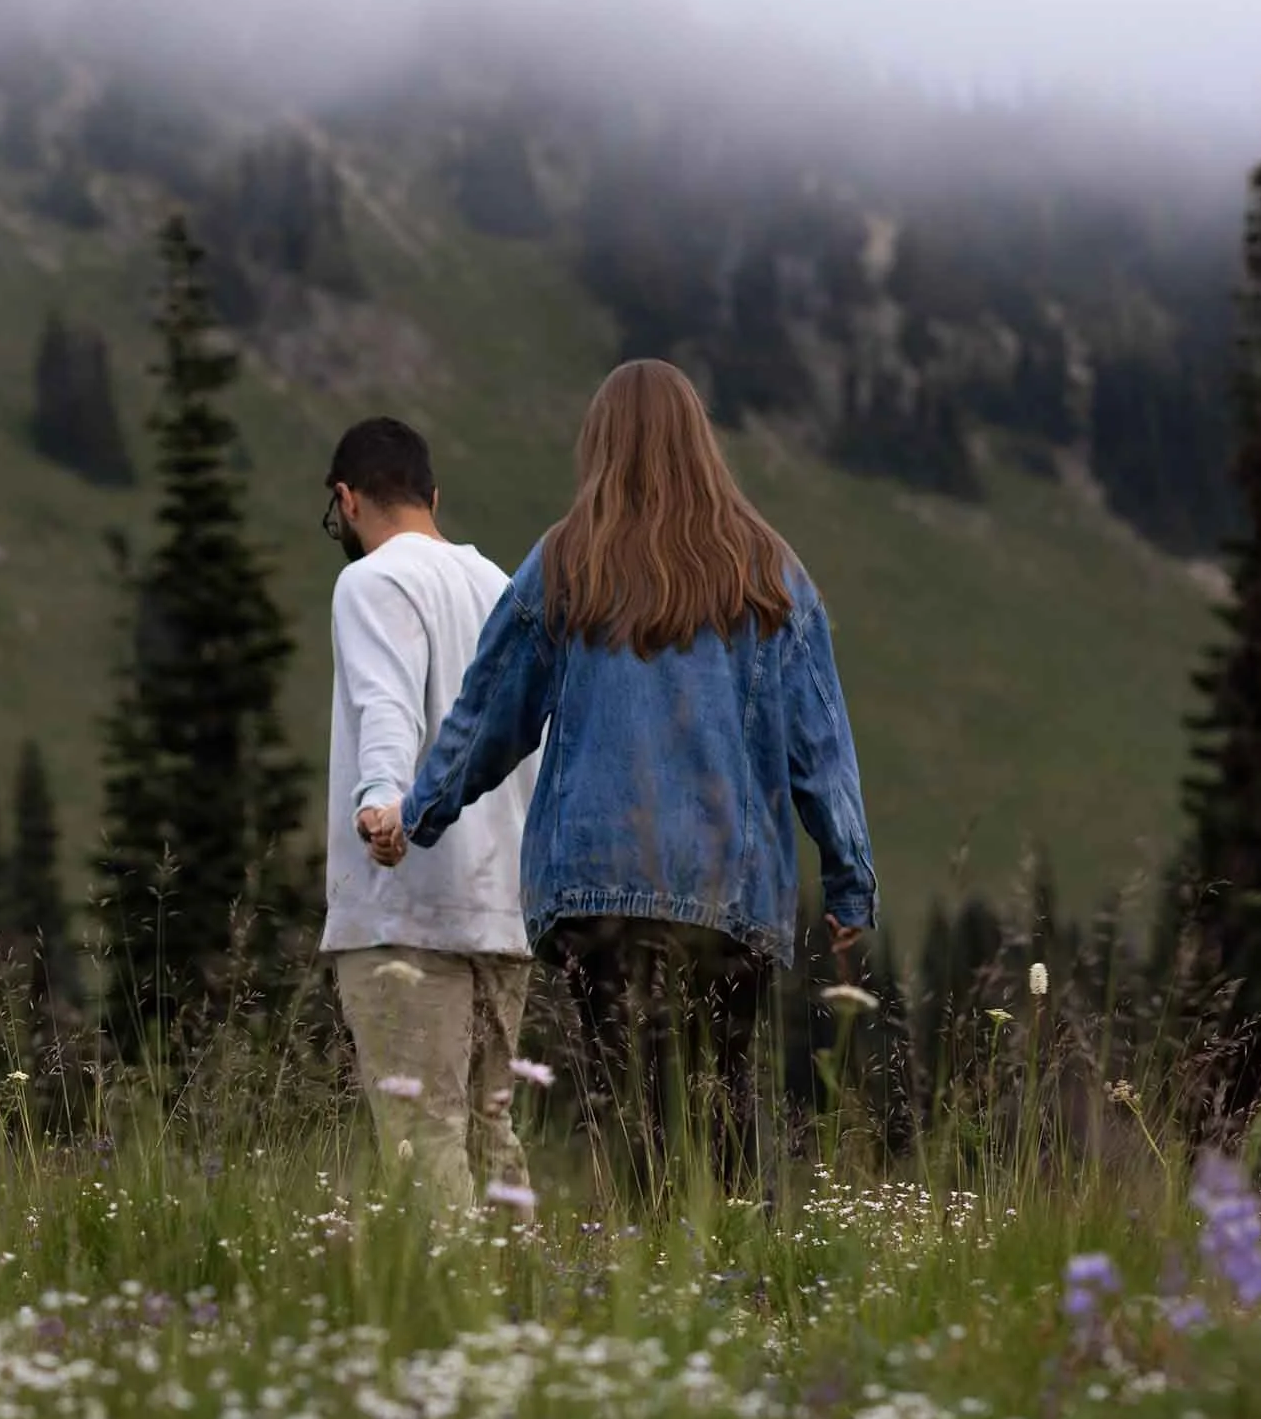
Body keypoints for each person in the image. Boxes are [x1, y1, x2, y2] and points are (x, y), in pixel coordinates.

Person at [362, 359, 877, 1200]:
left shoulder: (568, 562)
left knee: (628, 1111)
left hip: (597, 892)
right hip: (729, 895)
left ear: (600, 446)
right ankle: (735, 1293)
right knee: (723, 1109)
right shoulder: (768, 571)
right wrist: (849, 887)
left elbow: (488, 714)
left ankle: (646, 1289)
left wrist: (414, 814)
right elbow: (821, 747)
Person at [321, 416, 540, 1210]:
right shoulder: (504, 585)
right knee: (492, 1133)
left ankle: (454, 1317)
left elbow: (386, 702)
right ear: (432, 497)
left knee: (424, 1135)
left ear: (346, 501)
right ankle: (525, 1314)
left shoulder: (372, 580)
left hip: (404, 908)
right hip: (505, 907)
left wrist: (381, 802)